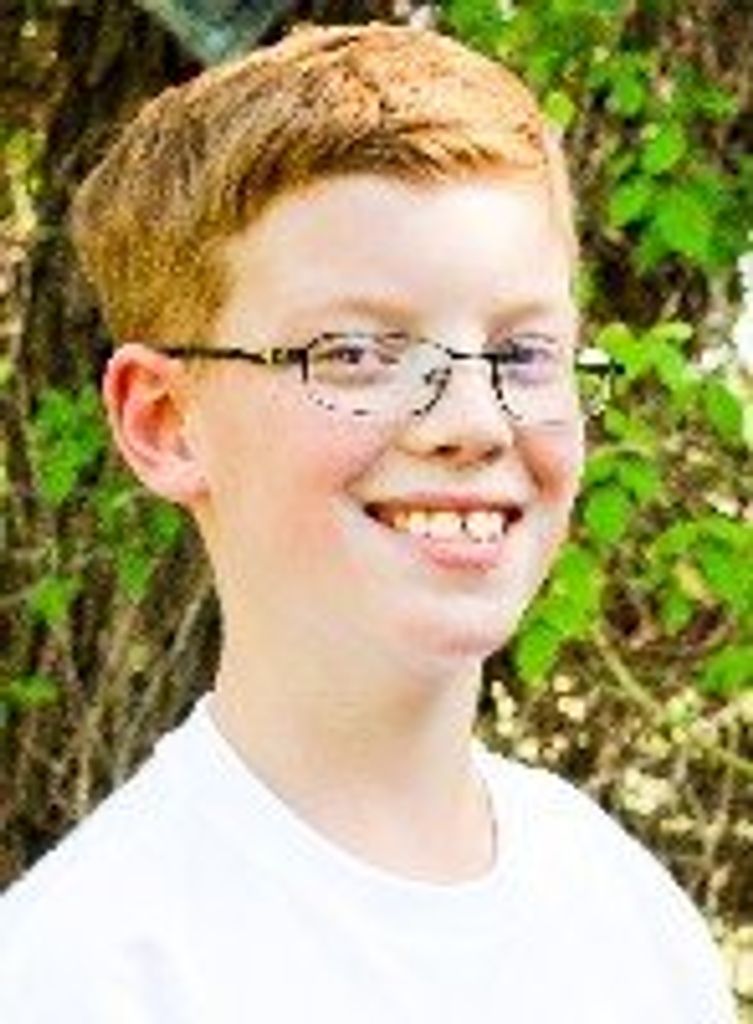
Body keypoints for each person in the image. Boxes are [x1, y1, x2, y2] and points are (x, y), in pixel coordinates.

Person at [0, 21, 736, 1023]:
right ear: (165, 422)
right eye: (355, 355)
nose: (474, 421)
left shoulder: (626, 916)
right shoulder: (88, 974)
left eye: (522, 355)